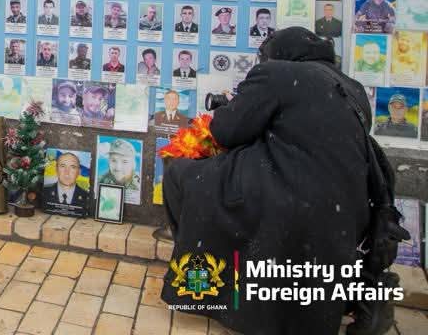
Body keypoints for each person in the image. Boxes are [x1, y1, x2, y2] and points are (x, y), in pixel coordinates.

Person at [161, 28, 377, 334]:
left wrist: (231, 105)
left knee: (181, 174)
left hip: (284, 190)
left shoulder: (277, 73)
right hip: (348, 204)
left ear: (278, 53)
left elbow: (227, 131)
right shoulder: (350, 86)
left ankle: (205, 283)